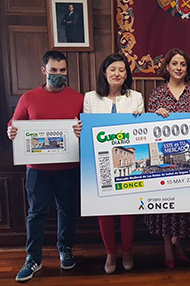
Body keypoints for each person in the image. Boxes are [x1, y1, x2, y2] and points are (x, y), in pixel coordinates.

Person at [7, 51, 84, 282]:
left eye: (62, 70)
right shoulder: (28, 97)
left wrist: (81, 129)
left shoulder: (79, 98)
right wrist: (11, 130)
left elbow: (89, 128)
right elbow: (14, 123)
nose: (59, 74)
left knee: (67, 211)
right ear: (44, 70)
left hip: (68, 168)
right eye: (54, 70)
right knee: (35, 215)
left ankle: (65, 248)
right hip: (37, 169)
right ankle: (33, 258)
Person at [83, 53, 144, 274]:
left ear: (126, 74)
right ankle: (110, 252)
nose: (117, 74)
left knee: (128, 209)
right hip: (100, 163)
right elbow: (87, 130)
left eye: (121, 70)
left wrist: (141, 117)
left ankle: (127, 250)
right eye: (113, 70)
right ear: (105, 72)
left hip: (128, 160)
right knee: (105, 210)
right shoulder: (90, 98)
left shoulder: (135, 97)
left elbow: (142, 131)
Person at [147, 48, 190, 268]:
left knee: (184, 204)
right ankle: (166, 245)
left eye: (183, 64)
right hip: (164, 162)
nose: (179, 68)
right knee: (165, 204)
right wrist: (155, 115)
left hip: (188, 161)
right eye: (175, 64)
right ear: (167, 67)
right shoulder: (156, 95)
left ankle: (178, 241)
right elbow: (147, 130)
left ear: (187, 68)